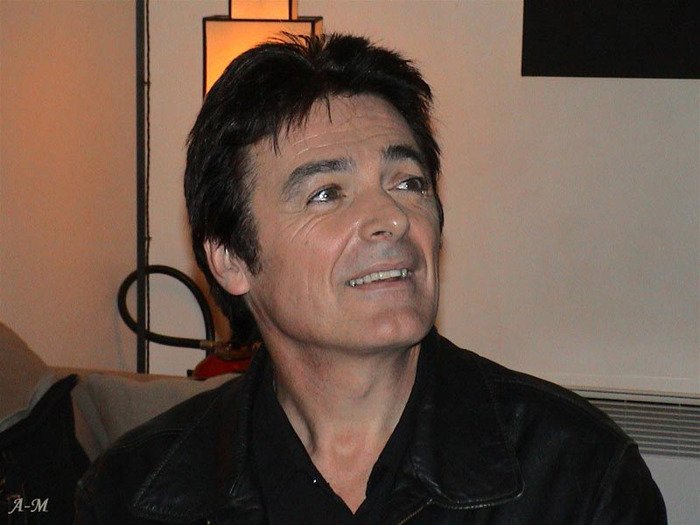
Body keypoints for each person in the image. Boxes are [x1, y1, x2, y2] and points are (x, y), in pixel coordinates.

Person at [75, 33, 666, 524]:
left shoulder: (578, 477)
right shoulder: (133, 494)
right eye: (326, 193)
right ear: (231, 258)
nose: (392, 217)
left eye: (408, 182)